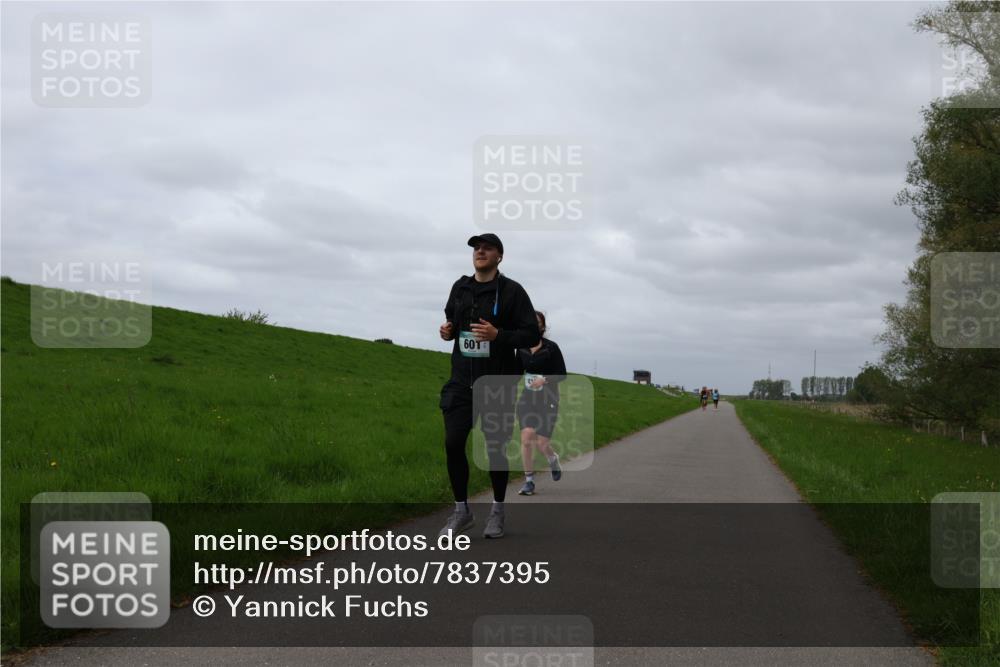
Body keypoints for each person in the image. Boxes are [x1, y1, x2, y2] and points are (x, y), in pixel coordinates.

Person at [438, 233, 540, 539]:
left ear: (499, 256)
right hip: (461, 382)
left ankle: (497, 511)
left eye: (487, 248)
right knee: (453, 443)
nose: (480, 251)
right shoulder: (461, 287)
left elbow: (531, 335)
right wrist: (447, 331)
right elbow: (451, 322)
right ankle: (462, 512)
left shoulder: (512, 292)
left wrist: (499, 336)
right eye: (476, 248)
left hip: (497, 383)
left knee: (496, 450)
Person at [515, 311, 567, 496]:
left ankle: (552, 459)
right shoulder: (520, 348)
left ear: (543, 326)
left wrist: (544, 379)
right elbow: (514, 372)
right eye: (530, 321)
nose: (534, 325)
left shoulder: (551, 348)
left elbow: (562, 374)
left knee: (542, 443)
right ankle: (529, 481)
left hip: (549, 399)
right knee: (527, 437)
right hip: (527, 399)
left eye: (537, 322)